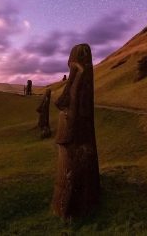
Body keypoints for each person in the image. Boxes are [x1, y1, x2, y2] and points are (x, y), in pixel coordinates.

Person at [52, 43, 100, 219]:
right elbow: (63, 101)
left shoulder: (81, 85)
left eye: (75, 70)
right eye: (70, 70)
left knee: (74, 169)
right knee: (67, 168)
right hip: (72, 135)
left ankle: (75, 209)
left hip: (76, 136)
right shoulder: (75, 82)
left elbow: (70, 104)